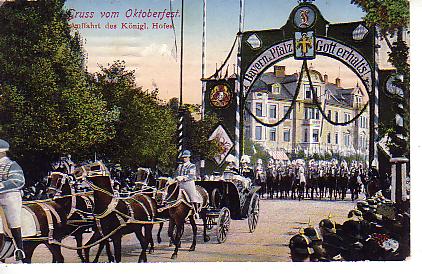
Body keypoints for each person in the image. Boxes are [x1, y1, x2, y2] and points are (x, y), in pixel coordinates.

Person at [0, 139, 26, 261]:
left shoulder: (12, 165)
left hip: (8, 196)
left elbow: (18, 181)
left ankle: (18, 249)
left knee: (13, 219)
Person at [175, 150, 201, 219]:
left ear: (189, 158)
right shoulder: (180, 166)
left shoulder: (192, 166)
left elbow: (191, 176)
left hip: (188, 183)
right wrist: (176, 177)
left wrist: (183, 177)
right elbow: (176, 174)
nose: (184, 159)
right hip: (180, 184)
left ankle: (196, 212)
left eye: (186, 157)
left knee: (192, 196)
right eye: (183, 157)